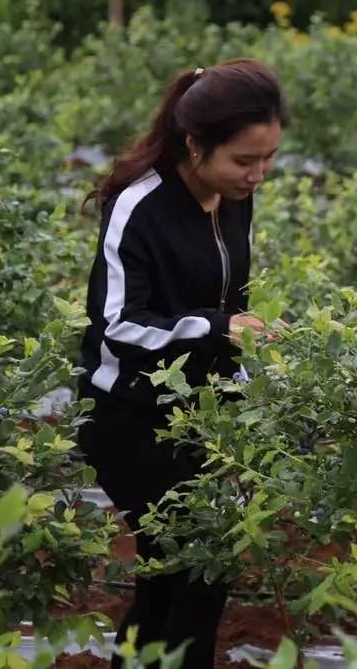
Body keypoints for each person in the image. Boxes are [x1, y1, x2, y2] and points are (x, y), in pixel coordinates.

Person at [77, 59, 287, 668]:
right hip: (130, 415)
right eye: (244, 160)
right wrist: (219, 329)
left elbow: (230, 299)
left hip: (206, 413)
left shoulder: (233, 199)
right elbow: (117, 328)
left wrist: (246, 373)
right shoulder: (137, 206)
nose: (258, 174)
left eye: (268, 157)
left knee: (184, 578)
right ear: (195, 145)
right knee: (192, 569)